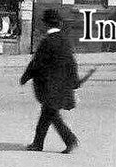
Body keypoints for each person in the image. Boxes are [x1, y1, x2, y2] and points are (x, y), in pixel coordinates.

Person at [21, 8, 79, 154]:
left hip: (49, 87)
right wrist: (74, 81)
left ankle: (69, 139)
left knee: (50, 115)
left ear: (46, 24)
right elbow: (71, 63)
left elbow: (37, 63)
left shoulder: (47, 42)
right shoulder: (64, 40)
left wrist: (26, 76)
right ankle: (39, 143)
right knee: (48, 115)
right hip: (62, 87)